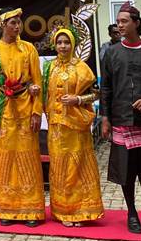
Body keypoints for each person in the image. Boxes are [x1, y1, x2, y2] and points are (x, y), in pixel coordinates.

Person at [100, 2, 141, 234]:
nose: (119, 25)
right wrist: (105, 119)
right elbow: (106, 88)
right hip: (121, 120)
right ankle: (131, 213)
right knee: (127, 173)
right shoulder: (111, 53)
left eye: (124, 21)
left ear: (136, 23)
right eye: (118, 22)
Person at [0, 7, 45, 227]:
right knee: (4, 158)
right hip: (3, 108)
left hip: (26, 106)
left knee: (27, 156)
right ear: (3, 25)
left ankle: (31, 211)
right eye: (13, 23)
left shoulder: (28, 49)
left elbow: (38, 81)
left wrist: (37, 111)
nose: (17, 26)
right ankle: (5, 208)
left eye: (19, 22)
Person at [42, 26, 104, 227]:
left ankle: (82, 211)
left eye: (66, 42)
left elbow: (96, 93)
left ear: (73, 44)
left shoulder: (82, 68)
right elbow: (45, 95)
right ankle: (62, 212)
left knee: (77, 167)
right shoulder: (48, 68)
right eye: (59, 42)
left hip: (76, 128)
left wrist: (78, 99)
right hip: (56, 128)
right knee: (59, 168)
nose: (62, 46)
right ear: (54, 44)